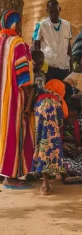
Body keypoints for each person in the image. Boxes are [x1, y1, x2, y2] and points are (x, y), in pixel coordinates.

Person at [0, 10, 34, 189]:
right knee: (14, 132)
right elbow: (22, 74)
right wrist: (29, 94)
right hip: (13, 97)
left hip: (1, 97)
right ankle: (10, 176)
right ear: (14, 24)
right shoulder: (17, 44)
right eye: (19, 23)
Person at [27, 80, 67, 195]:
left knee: (40, 147)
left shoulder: (39, 96)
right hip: (53, 130)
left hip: (39, 126)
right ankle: (46, 183)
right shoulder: (57, 100)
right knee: (51, 150)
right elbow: (60, 121)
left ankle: (41, 177)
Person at [32, 0, 73, 81]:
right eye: (51, 12)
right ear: (47, 11)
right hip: (48, 68)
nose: (53, 14)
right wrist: (38, 65)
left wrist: (71, 67)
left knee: (63, 91)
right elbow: (35, 45)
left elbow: (68, 47)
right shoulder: (41, 25)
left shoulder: (67, 25)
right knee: (49, 91)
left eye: (56, 11)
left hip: (64, 67)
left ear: (60, 9)